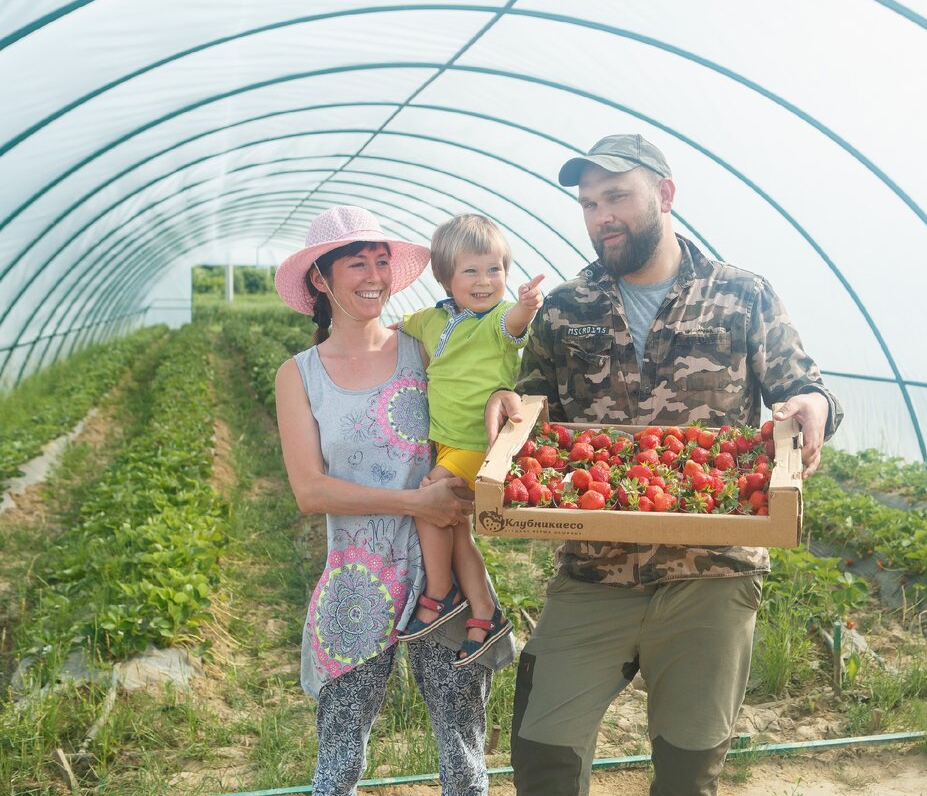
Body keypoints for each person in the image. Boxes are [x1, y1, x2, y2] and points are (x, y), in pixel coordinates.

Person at [485, 134, 845, 796]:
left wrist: (812, 407)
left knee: (688, 770)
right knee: (543, 750)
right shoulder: (567, 307)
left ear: (666, 195)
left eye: (617, 196)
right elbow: (535, 408)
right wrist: (510, 404)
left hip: (710, 577)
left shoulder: (743, 296)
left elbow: (804, 385)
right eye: (589, 203)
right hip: (594, 570)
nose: (602, 217)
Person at [273, 205, 515, 796]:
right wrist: (417, 504)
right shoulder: (300, 374)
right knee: (338, 757)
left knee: (463, 754)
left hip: (444, 581)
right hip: (357, 581)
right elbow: (310, 491)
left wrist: (506, 392)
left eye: (382, 261)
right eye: (358, 263)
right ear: (322, 280)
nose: (375, 275)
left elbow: (480, 392)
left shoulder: (422, 346)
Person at [397, 214, 544, 665]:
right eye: (471, 271)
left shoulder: (498, 319)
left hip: (477, 442)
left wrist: (527, 305)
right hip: (445, 442)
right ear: (445, 277)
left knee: (429, 500)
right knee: (455, 524)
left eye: (495, 270)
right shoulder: (430, 320)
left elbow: (515, 325)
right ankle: (484, 609)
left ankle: (439, 593)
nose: (485, 281)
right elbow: (391, 333)